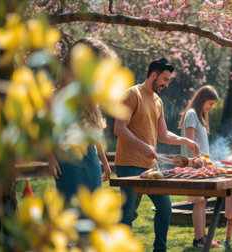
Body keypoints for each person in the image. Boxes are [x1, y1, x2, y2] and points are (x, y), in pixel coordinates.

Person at [113, 58, 200, 252]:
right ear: (153, 74)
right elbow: (119, 128)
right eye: (165, 79)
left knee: (165, 207)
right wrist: (143, 145)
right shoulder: (132, 94)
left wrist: (185, 140)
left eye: (168, 80)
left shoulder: (158, 101)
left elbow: (163, 135)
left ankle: (160, 249)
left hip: (151, 166)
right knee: (128, 212)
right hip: (129, 163)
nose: (166, 84)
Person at [48, 38, 112, 202]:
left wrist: (104, 161)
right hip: (66, 159)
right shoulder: (54, 95)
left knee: (93, 208)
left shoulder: (89, 94)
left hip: (91, 159)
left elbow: (93, 130)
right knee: (72, 208)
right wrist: (51, 158)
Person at [178, 85, 220, 248]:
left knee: (202, 202)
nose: (211, 107)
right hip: (194, 166)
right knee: (198, 202)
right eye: (210, 103)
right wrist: (198, 161)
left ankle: (204, 238)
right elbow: (190, 143)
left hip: (202, 165)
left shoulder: (199, 116)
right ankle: (198, 240)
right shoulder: (191, 115)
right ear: (202, 99)